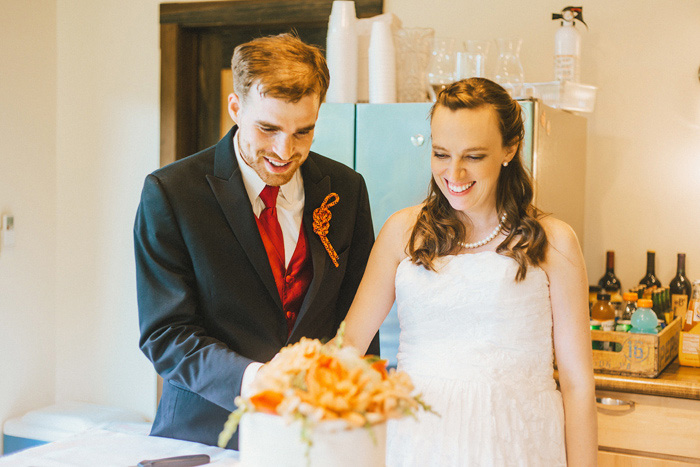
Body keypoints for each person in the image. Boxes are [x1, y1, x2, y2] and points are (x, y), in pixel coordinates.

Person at [134, 33, 379, 450]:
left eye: (303, 132)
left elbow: (359, 319)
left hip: (314, 437)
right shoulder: (172, 193)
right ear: (235, 108)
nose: (285, 150)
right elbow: (166, 333)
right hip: (205, 436)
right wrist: (256, 380)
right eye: (268, 128)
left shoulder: (346, 189)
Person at [340, 78, 597, 466]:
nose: (454, 173)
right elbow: (347, 346)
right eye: (441, 153)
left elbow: (578, 383)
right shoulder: (401, 232)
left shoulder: (555, 242)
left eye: (474, 156)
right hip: (419, 445)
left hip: (519, 445)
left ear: (510, 149)